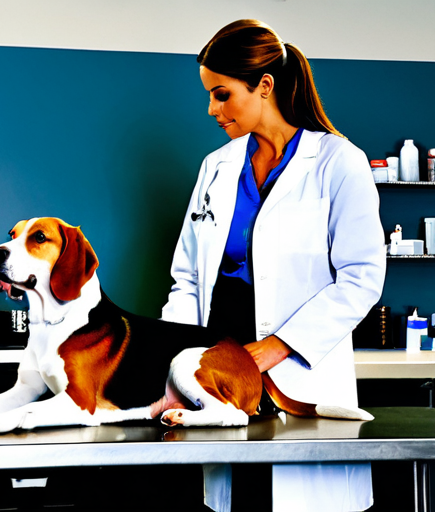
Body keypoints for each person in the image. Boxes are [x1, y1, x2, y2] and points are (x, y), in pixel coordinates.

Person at [161, 19, 386, 512]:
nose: (212, 109)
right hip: (221, 371)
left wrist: (272, 349)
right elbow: (188, 279)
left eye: (222, 94)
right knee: (238, 496)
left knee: (294, 495)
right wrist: (174, 364)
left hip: (296, 366)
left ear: (264, 85)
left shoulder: (337, 162)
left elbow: (361, 278)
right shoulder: (216, 167)